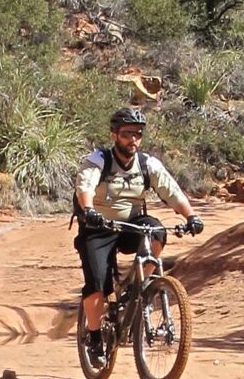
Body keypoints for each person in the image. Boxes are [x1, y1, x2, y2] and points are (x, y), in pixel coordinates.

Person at [74, 107, 203, 363]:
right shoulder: (99, 160)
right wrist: (88, 210)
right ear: (114, 135)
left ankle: (141, 282)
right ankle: (96, 337)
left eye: (138, 134)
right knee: (97, 284)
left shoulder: (147, 164)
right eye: (127, 134)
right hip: (99, 226)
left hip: (131, 224)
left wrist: (191, 217)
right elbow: (85, 186)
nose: (133, 139)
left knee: (155, 228)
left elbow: (171, 191)